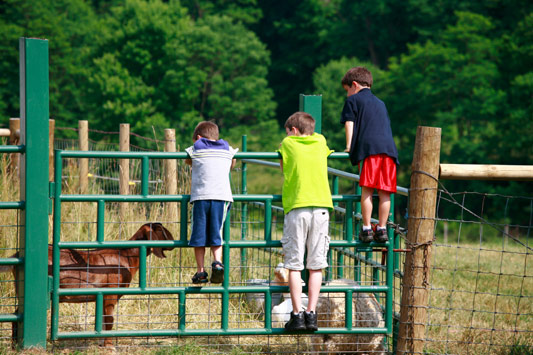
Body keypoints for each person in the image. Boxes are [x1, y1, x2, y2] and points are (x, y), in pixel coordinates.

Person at [278, 112, 333, 331]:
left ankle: (297, 315)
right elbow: (316, 136)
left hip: (297, 206)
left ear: (292, 130)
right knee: (316, 265)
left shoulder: (288, 143)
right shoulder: (320, 142)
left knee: (294, 265)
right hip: (321, 207)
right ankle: (311, 314)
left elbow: (284, 168)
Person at [340, 66, 399, 243]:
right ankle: (381, 229)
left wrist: (349, 146)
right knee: (385, 192)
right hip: (388, 150)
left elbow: (349, 123)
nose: (347, 94)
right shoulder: (381, 103)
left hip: (368, 149)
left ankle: (366, 228)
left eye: (347, 90)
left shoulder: (353, 101)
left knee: (366, 189)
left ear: (355, 85)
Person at [185, 121, 238, 284]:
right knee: (217, 232)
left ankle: (200, 271)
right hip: (221, 197)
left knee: (198, 235)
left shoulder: (195, 148)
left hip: (201, 197)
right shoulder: (227, 149)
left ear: (198, 138)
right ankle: (217, 262)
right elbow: (233, 162)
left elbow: (188, 161)